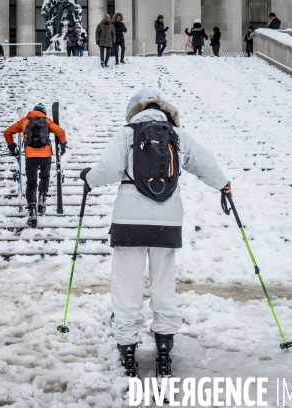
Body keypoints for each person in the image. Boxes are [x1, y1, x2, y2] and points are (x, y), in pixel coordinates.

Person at [79, 88, 231, 402]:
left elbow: (106, 169)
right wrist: (223, 184)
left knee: (127, 285)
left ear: (133, 110)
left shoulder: (127, 133)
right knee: (163, 284)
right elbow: (206, 163)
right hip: (168, 221)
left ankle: (128, 350)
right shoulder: (176, 133)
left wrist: (89, 179)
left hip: (130, 221)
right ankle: (163, 350)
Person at [3, 103, 67, 227]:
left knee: (31, 184)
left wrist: (12, 147)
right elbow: (61, 132)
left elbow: (7, 132)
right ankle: (42, 198)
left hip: (30, 156)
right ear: (44, 112)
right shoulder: (47, 121)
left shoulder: (24, 121)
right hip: (45, 155)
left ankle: (32, 210)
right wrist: (63, 144)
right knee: (45, 177)